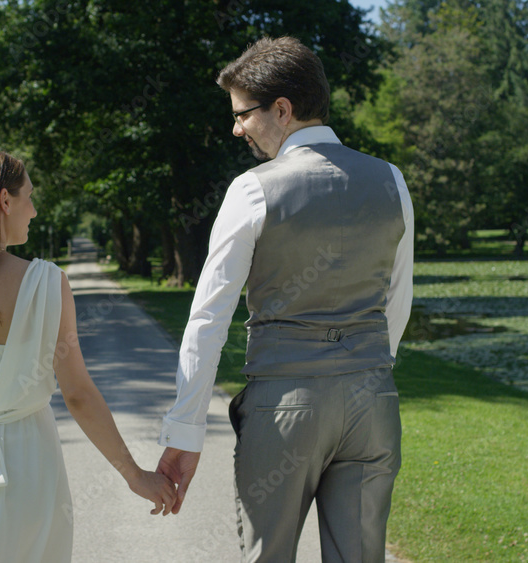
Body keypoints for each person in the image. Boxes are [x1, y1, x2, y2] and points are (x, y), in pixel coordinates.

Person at [156, 37, 414, 562]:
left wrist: (185, 432)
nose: (237, 129)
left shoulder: (253, 190)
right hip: (372, 402)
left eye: (243, 115)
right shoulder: (391, 180)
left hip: (285, 410)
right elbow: (397, 300)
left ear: (282, 109)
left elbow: (209, 317)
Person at [0, 148, 176, 562]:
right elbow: (77, 393)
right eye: (29, 197)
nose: (34, 210)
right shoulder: (46, 283)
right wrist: (134, 474)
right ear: (5, 201)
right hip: (28, 458)